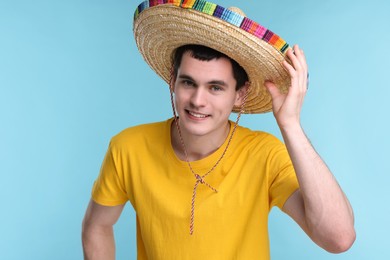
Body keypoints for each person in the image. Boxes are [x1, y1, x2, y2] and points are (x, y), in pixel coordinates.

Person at [82, 1, 355, 259]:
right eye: (188, 83)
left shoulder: (264, 154)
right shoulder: (128, 147)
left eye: (215, 87)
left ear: (239, 94)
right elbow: (97, 226)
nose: (198, 100)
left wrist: (290, 124)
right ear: (172, 82)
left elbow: (338, 238)